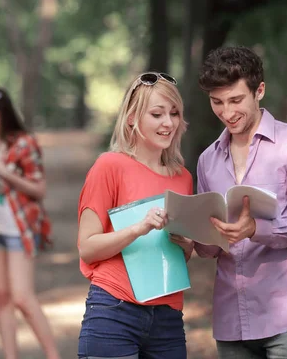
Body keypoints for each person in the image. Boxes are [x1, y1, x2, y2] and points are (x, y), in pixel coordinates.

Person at [193, 46, 287, 358]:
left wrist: (255, 228)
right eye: (217, 102)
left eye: (236, 100)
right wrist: (196, 233)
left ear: (259, 91)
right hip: (231, 322)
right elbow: (209, 248)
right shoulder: (207, 160)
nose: (227, 112)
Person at [77, 72, 195, 359]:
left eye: (174, 113)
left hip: (167, 320)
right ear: (131, 118)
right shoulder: (110, 166)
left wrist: (186, 243)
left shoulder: (183, 178)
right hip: (114, 312)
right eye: (157, 114)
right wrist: (137, 228)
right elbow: (87, 248)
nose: (168, 123)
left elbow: (181, 254)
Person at [0, 86, 60, 359]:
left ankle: (53, 354)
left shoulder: (24, 143)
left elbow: (39, 189)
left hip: (20, 228)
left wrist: (3, 173)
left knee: (22, 297)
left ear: (5, 116)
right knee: (2, 297)